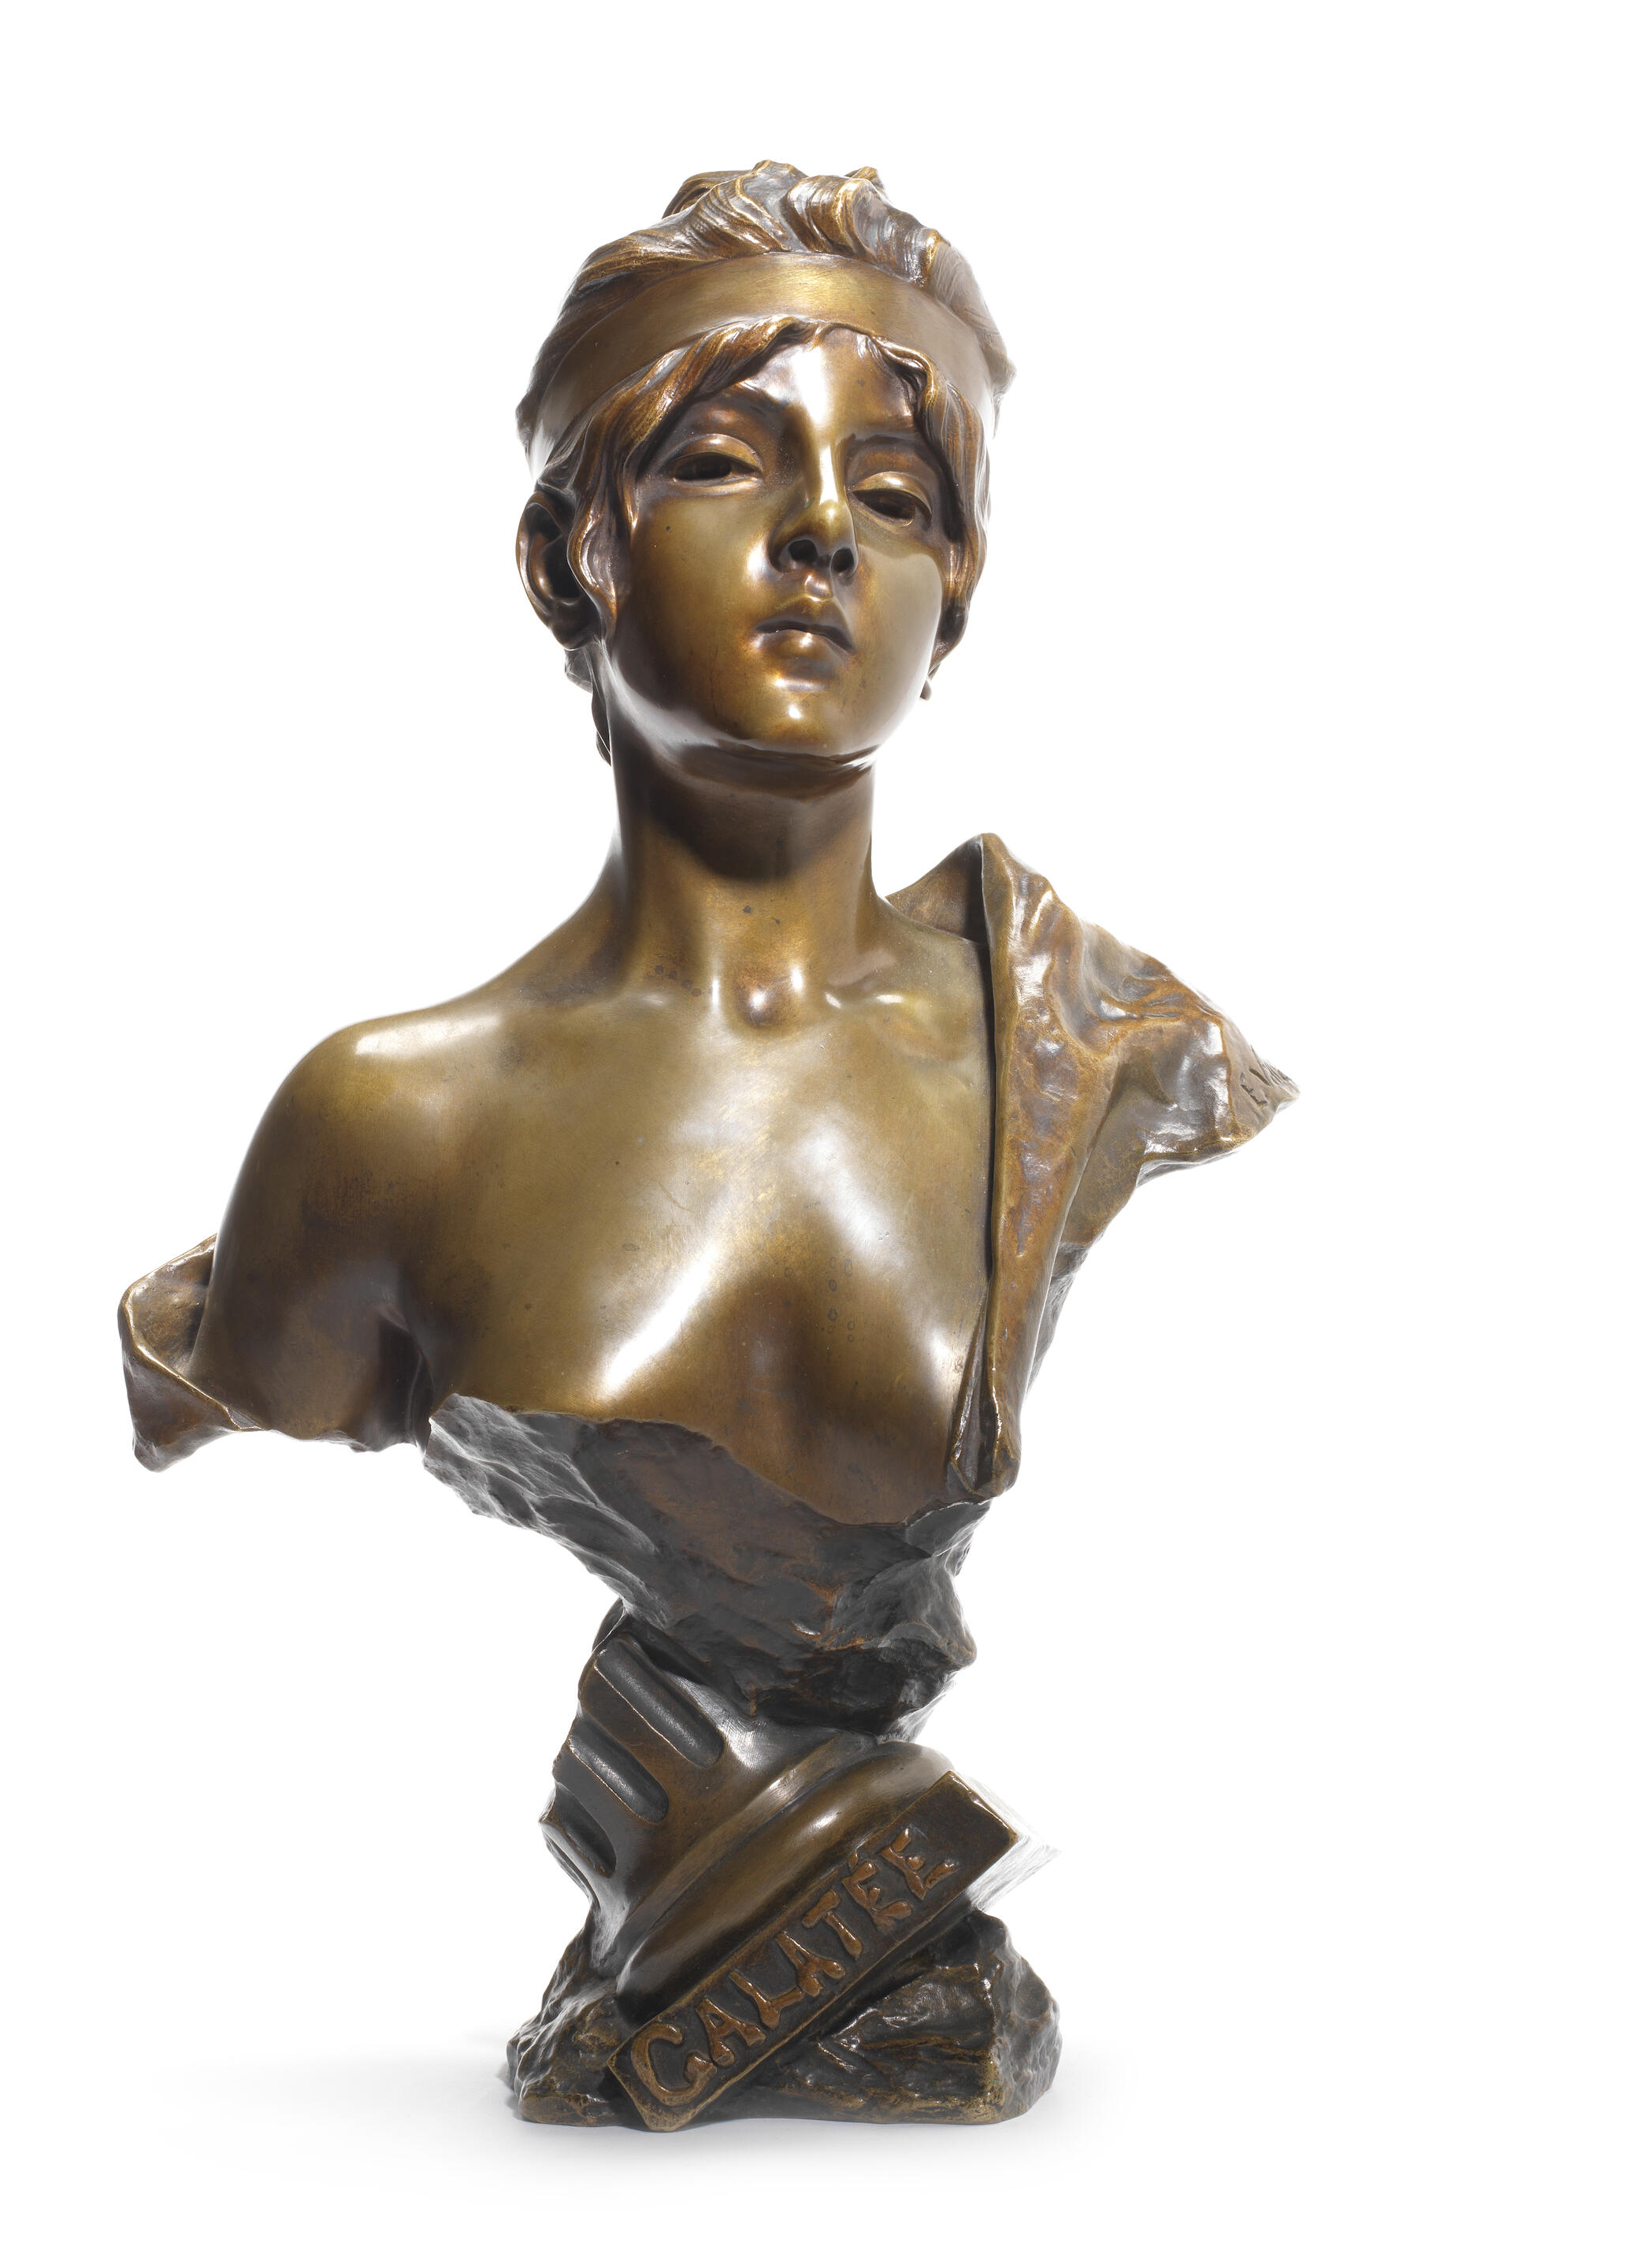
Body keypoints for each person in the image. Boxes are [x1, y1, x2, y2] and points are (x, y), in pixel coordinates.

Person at [121, 163, 1293, 2122]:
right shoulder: (388, 1121)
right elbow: (243, 1376)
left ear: (953, 594)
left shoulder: (1086, 1044)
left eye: (897, 498)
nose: (823, 534)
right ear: (573, 552)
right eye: (727, 463)